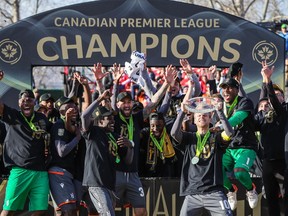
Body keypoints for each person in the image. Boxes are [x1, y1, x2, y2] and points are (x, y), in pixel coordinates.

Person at [110, 63, 177, 216]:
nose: (127, 105)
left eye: (129, 102)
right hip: (116, 171)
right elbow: (112, 105)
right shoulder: (115, 119)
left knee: (141, 211)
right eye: (123, 102)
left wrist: (166, 83)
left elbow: (152, 102)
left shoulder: (137, 118)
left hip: (133, 173)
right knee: (110, 208)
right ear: (119, 104)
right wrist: (115, 83)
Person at [170, 81, 233, 216]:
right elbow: (174, 133)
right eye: (198, 114)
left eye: (205, 114)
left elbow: (229, 133)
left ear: (210, 118)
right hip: (193, 193)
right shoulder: (189, 138)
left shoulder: (216, 137)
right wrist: (182, 112)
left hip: (215, 192)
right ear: (194, 119)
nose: (201, 116)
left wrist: (220, 113)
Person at [0, 85, 51, 215]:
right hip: (20, 170)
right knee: (8, 210)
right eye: (23, 100)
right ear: (19, 103)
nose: (26, 102)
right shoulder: (13, 115)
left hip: (40, 171)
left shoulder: (42, 118)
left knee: (40, 210)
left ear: (35, 102)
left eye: (29, 100)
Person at [81, 90, 134, 216]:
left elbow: (128, 161)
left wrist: (130, 147)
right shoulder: (93, 132)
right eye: (108, 118)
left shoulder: (115, 136)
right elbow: (84, 116)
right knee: (107, 214)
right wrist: (99, 99)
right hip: (95, 182)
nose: (113, 120)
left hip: (109, 184)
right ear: (99, 121)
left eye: (112, 118)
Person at [219, 78, 259, 210]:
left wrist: (221, 126)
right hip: (229, 148)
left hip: (246, 146)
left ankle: (250, 189)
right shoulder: (221, 106)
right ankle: (231, 190)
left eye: (230, 87)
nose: (226, 91)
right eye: (224, 88)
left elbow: (237, 118)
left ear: (237, 89)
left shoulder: (245, 102)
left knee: (240, 173)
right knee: (216, 170)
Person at [254, 62, 286, 216]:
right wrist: (263, 80)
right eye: (275, 94)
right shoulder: (264, 115)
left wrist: (268, 81)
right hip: (267, 162)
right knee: (270, 200)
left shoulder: (284, 110)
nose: (276, 96)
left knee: (286, 198)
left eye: (280, 95)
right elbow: (263, 100)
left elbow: (272, 100)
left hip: (283, 162)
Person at [48, 96, 81, 216]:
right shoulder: (59, 125)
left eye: (74, 106)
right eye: (68, 107)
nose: (73, 109)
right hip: (59, 172)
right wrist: (77, 138)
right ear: (61, 111)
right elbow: (61, 151)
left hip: (69, 173)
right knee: (68, 210)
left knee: (71, 210)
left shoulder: (72, 124)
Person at [139, 112, 177, 177]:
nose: (155, 129)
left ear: (164, 125)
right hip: (147, 174)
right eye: (152, 126)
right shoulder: (146, 133)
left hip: (166, 175)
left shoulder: (169, 134)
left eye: (159, 125)